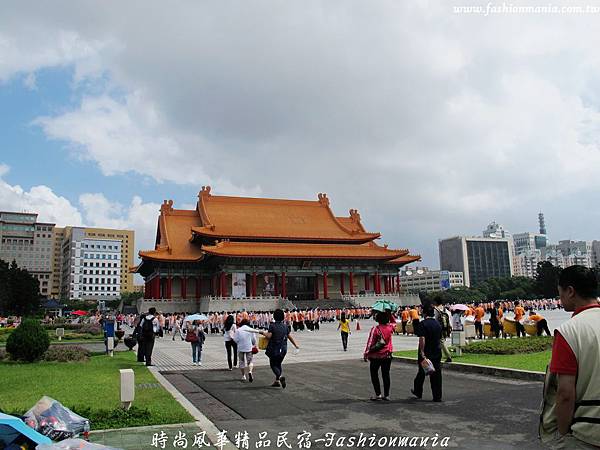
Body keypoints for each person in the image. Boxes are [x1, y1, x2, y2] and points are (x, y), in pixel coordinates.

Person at [540, 265, 600, 449]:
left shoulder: (569, 331)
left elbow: (565, 393)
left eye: (560, 293)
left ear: (571, 291)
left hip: (587, 433)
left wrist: (564, 432)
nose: (560, 299)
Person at [259, 308, 300, 388]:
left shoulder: (272, 326)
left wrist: (263, 333)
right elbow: (289, 336)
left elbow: (269, 336)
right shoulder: (285, 326)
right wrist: (295, 345)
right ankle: (277, 381)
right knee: (278, 364)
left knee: (273, 365)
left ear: (274, 316)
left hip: (274, 349)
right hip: (283, 349)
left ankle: (280, 376)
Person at [411, 303, 443, 402]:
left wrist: (422, 351)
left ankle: (418, 391)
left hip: (426, 352)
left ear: (424, 313)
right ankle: (437, 396)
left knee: (421, 372)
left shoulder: (423, 324)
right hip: (436, 351)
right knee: (436, 374)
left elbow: (422, 339)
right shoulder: (438, 324)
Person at [363, 311, 394, 401]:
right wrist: (389, 313)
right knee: (386, 374)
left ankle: (378, 394)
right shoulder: (390, 328)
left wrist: (366, 353)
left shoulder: (375, 329)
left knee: (374, 374)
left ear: (377, 320)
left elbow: (370, 342)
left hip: (376, 356)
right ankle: (387, 395)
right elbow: (394, 322)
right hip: (387, 355)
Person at [433, 298, 452, 362]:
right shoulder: (445, 309)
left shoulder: (436, 310)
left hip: (438, 328)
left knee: (441, 342)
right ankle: (439, 356)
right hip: (445, 328)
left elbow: (435, 319)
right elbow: (449, 318)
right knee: (440, 342)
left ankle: (448, 356)